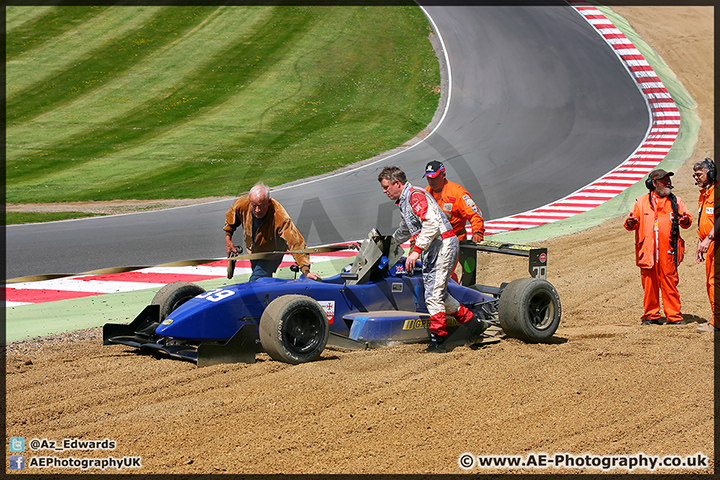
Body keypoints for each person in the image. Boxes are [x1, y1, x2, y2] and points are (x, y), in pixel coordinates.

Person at [378, 165, 488, 352]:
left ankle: (439, 340)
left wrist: (415, 251)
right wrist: (386, 243)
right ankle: (472, 323)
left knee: (433, 295)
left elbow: (431, 225)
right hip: (433, 247)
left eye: (386, 187)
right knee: (439, 294)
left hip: (442, 244)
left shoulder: (414, 196)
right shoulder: (405, 201)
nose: (384, 191)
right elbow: (406, 230)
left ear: (397, 183)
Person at [624, 169, 692, 325]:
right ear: (653, 184)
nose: (668, 183)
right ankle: (651, 315)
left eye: (668, 179)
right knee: (649, 285)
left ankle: (674, 316)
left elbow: (688, 220)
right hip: (647, 252)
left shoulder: (676, 201)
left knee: (670, 283)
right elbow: (629, 224)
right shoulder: (641, 202)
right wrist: (630, 222)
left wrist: (684, 220)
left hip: (668, 251)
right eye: (664, 180)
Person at [223, 183, 321, 282]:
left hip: (271, 255)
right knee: (264, 283)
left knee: (255, 281)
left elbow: (295, 242)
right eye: (254, 205)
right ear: (250, 202)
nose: (257, 210)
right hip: (254, 253)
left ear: (269, 202)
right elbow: (231, 217)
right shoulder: (242, 204)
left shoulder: (279, 215)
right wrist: (228, 238)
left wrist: (306, 271)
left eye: (261, 206)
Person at [423, 160, 485, 282]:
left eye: (434, 178)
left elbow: (474, 213)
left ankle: (454, 297)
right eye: (428, 178)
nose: (431, 181)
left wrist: (477, 232)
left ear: (443, 175)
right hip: (434, 241)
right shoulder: (425, 194)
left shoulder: (457, 192)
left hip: (454, 239)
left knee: (445, 275)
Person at [692, 158, 719, 333]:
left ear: (710, 173)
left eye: (699, 174)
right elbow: (705, 220)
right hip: (709, 244)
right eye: (695, 175)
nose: (696, 178)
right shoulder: (705, 193)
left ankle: (716, 322)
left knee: (715, 282)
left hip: (716, 243)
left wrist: (709, 238)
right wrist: (700, 242)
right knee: (711, 283)